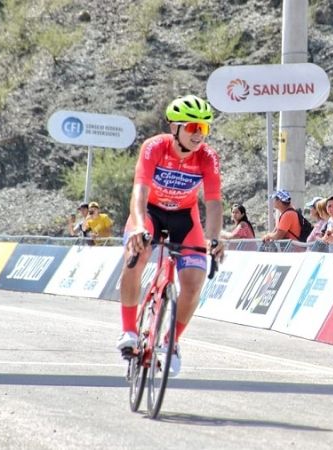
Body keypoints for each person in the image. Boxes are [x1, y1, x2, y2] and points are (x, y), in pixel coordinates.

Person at [117, 94, 224, 378]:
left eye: (204, 128)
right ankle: (128, 330)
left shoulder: (208, 157)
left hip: (183, 218)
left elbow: (213, 202)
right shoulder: (154, 147)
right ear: (174, 127)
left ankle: (171, 342)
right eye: (192, 127)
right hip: (149, 212)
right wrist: (139, 225)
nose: (198, 134)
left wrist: (214, 238)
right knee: (135, 255)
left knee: (193, 281)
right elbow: (139, 190)